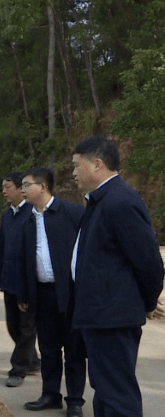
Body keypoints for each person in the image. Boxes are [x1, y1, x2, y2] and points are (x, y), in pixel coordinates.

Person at [71, 137, 164, 417]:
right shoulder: (101, 201)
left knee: (117, 397)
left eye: (77, 166)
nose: (73, 173)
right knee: (105, 393)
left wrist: (146, 303)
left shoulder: (120, 201)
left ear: (97, 164)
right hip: (99, 314)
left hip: (112, 316)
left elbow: (148, 263)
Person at [19, 168, 86, 417]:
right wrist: (24, 295)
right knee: (48, 349)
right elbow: (23, 260)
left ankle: (75, 400)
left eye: (27, 185)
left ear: (43, 186)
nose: (22, 189)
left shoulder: (72, 213)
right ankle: (50, 395)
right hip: (41, 293)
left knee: (74, 349)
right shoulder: (26, 219)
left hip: (70, 294)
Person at [0, 171, 40, 388]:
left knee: (27, 326)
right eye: (3, 187)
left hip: (27, 282)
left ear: (21, 190)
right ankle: (33, 360)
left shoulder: (33, 214)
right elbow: (2, 246)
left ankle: (18, 368)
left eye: (7, 187)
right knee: (13, 326)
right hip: (9, 280)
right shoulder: (7, 215)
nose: (4, 191)